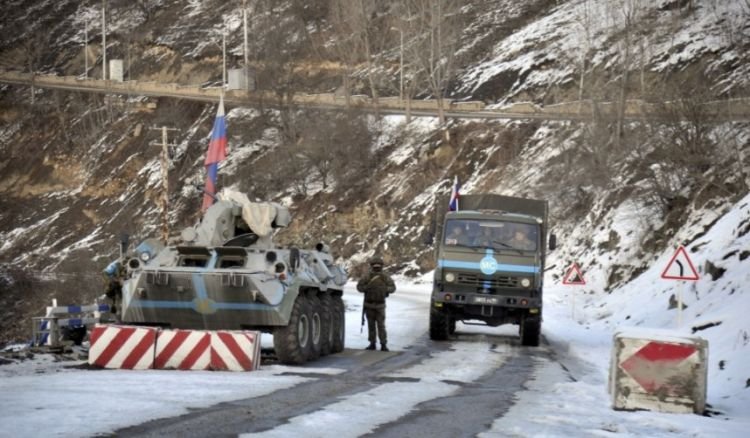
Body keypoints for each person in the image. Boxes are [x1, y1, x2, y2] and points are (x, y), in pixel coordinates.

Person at [357, 256, 396, 351]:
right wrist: (367, 288)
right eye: (375, 265)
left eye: (378, 265)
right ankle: (373, 343)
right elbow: (359, 287)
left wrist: (384, 289)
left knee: (380, 326)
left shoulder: (384, 276)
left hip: (379, 305)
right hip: (371, 305)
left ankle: (382, 344)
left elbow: (393, 288)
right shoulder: (368, 276)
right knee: (373, 326)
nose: (376, 267)